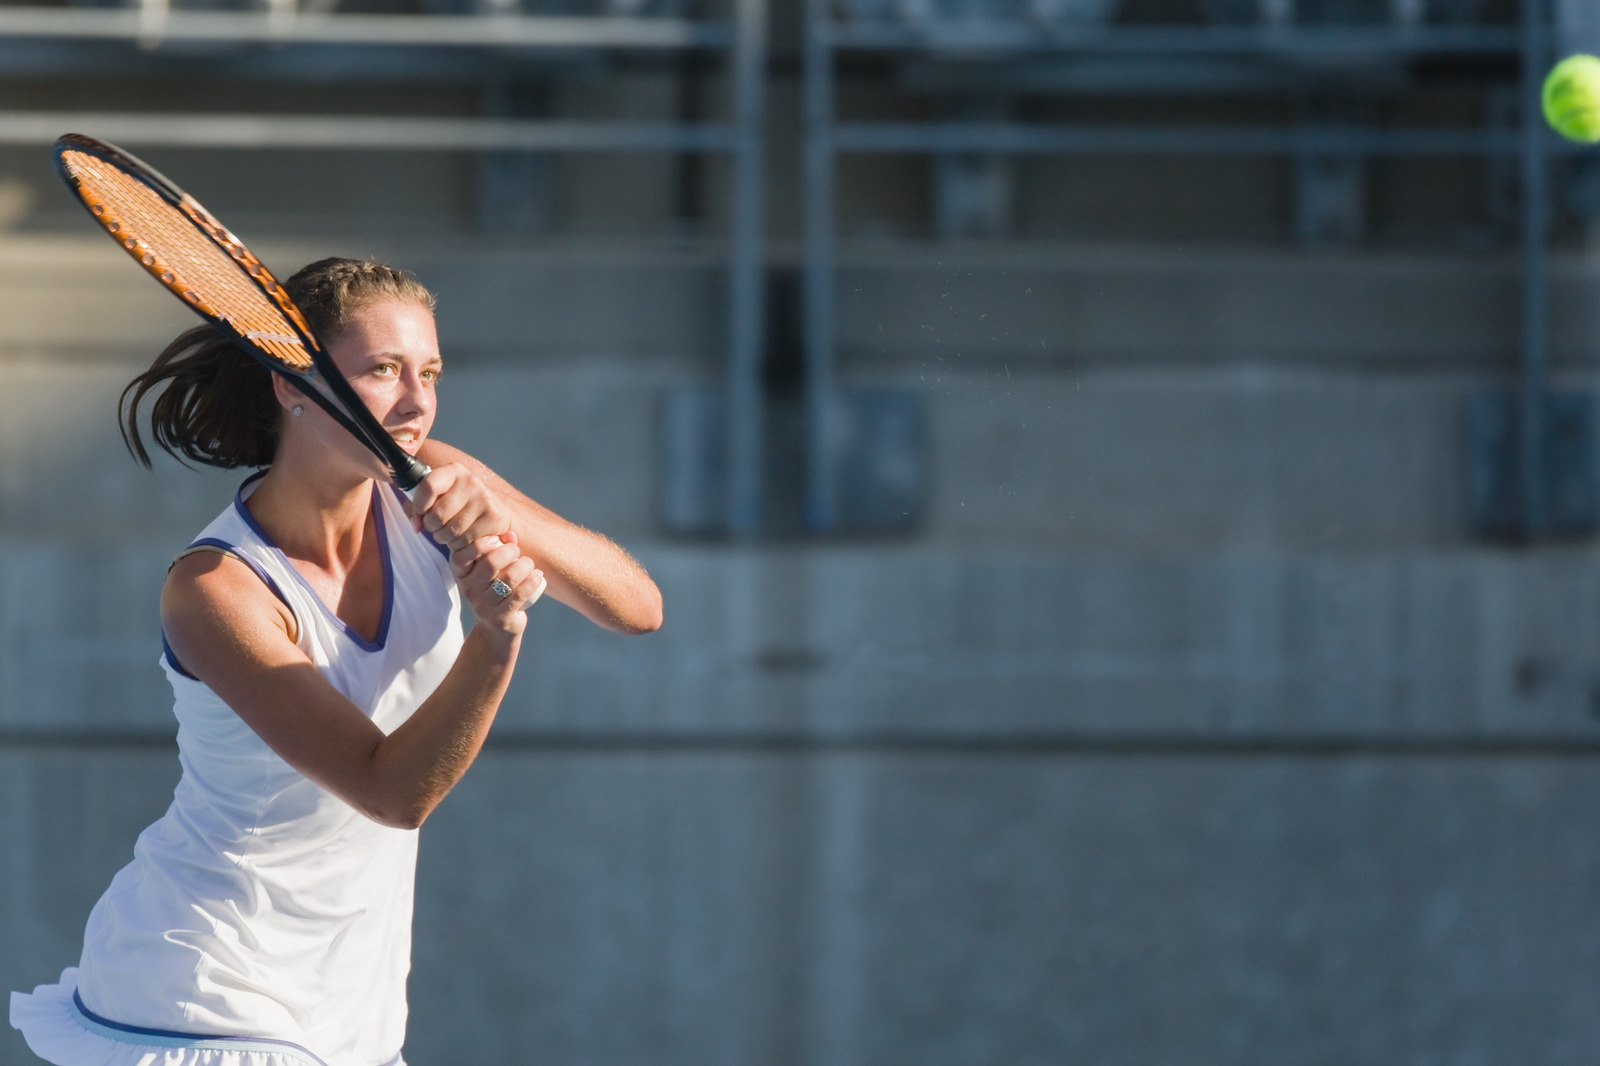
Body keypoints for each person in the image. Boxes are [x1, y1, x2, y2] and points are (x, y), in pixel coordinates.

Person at [7, 257, 661, 1066]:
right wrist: (496, 636)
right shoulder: (215, 591)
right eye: (383, 370)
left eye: (430, 372)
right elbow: (391, 792)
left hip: (353, 1014)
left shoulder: (442, 481)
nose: (416, 401)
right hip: (200, 987)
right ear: (293, 384)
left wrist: (509, 521)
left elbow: (637, 607)